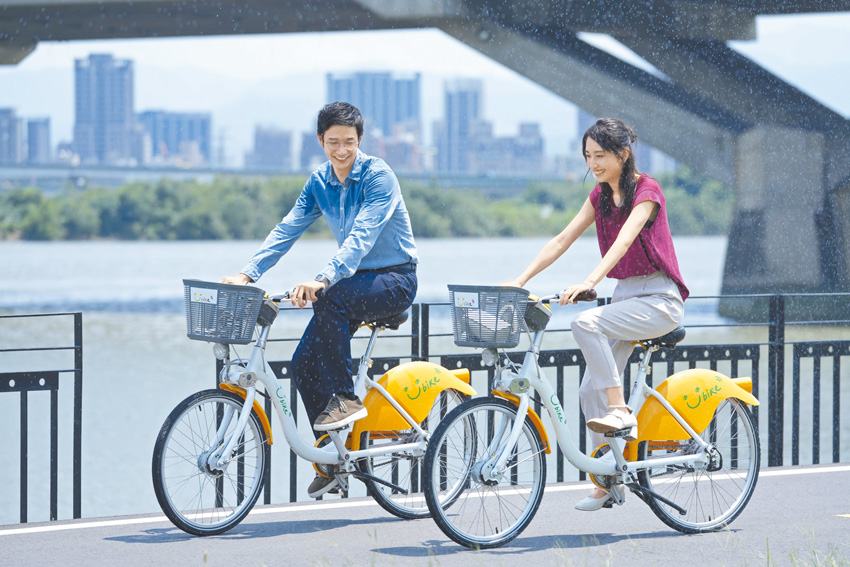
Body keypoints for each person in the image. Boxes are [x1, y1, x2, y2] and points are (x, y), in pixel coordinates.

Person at [221, 102, 418, 498]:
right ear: (320, 141)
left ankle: (345, 399)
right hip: (353, 283)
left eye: (349, 142)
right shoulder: (319, 182)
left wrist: (323, 277)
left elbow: (363, 234)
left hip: (395, 279)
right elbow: (288, 228)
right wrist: (247, 273)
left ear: (360, 140)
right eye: (333, 143)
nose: (341, 151)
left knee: (330, 299)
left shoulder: (379, 176)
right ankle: (333, 459)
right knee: (302, 363)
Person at [502, 117, 688, 511]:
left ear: (623, 154)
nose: (594, 164)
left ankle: (621, 410)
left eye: (600, 155)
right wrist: (519, 281)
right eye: (588, 156)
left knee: (584, 321)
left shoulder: (648, 190)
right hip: (626, 297)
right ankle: (610, 478)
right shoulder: (599, 197)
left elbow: (624, 241)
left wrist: (589, 281)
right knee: (589, 390)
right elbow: (562, 239)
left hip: (659, 298)